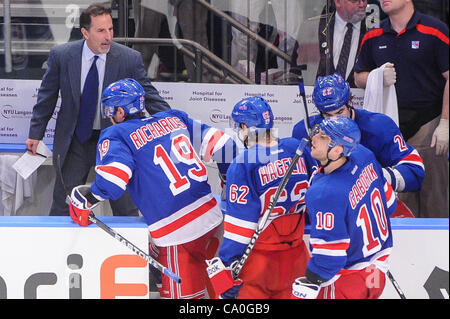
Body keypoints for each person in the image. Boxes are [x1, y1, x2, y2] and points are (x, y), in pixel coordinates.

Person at [68, 78, 237, 299]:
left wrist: (87, 199)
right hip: (214, 219)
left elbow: (113, 182)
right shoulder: (175, 117)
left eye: (110, 110)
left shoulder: (117, 134)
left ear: (120, 111)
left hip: (177, 234)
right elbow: (226, 145)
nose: (109, 116)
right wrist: (226, 178)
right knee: (220, 292)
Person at [25, 3, 171, 217]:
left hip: (117, 142)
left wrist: (172, 123)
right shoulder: (62, 56)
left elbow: (148, 95)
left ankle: (128, 251)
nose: (108, 36)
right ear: (85, 32)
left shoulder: (129, 59)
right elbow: (46, 97)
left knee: (125, 208)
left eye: (110, 29)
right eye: (101, 31)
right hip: (76, 141)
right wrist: (35, 133)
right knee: (63, 206)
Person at [206, 96, 318, 299]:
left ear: (245, 127)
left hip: (258, 265)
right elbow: (318, 195)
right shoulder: (297, 148)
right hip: (298, 259)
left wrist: (226, 263)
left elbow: (240, 228)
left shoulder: (243, 163)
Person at [353, 0, 449, 217]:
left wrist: (445, 122)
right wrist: (376, 76)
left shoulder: (434, 30)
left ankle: (440, 251)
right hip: (390, 135)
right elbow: (358, 77)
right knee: (399, 207)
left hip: (429, 130)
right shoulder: (372, 35)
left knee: (435, 203)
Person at [291, 116, 395, 299]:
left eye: (322, 137)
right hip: (377, 273)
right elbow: (390, 203)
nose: (313, 138)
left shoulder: (324, 193)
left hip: (349, 282)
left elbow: (330, 258)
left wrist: (312, 278)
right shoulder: (364, 155)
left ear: (338, 150)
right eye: (318, 132)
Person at [292, 73, 424, 216]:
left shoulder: (379, 126)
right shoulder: (304, 131)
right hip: (329, 211)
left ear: (351, 102)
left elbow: (415, 171)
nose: (335, 120)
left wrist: (371, 178)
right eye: (328, 115)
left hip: (375, 211)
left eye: (340, 112)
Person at [316, 0, 372, 88]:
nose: (363, 5)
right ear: (338, 2)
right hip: (320, 98)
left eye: (364, 0)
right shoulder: (314, 27)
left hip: (361, 99)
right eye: (355, 1)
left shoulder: (375, 31)